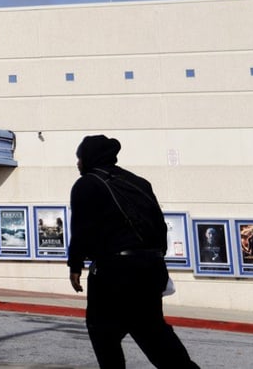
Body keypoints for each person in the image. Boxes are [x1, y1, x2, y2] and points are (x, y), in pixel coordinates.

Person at [67, 135, 199, 368]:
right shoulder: (139, 182)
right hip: (151, 269)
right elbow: (159, 226)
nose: (77, 163)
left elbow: (81, 229)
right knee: (154, 334)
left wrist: (75, 265)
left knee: (102, 332)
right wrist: (152, 260)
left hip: (113, 272)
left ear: (89, 158)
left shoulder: (87, 184)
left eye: (79, 157)